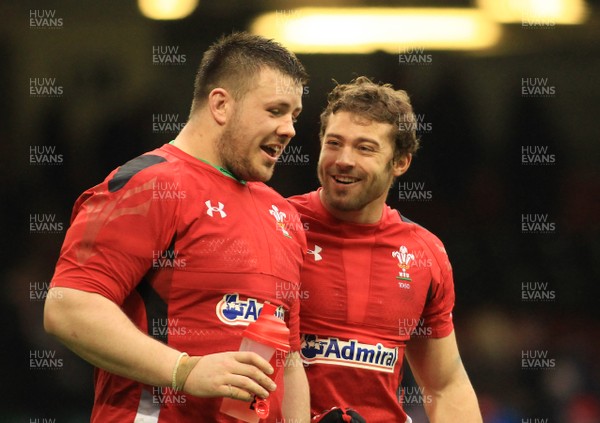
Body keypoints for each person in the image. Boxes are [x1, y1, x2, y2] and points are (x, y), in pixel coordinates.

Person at [44, 32, 310, 422]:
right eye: (275, 111)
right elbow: (68, 308)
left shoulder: (281, 213)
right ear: (221, 104)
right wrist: (184, 370)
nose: (289, 129)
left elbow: (289, 361)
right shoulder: (150, 183)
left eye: (295, 116)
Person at [289, 77, 482, 422]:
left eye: (365, 148)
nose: (343, 160)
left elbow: (445, 384)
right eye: (334, 143)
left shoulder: (424, 252)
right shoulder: (276, 226)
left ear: (400, 162)